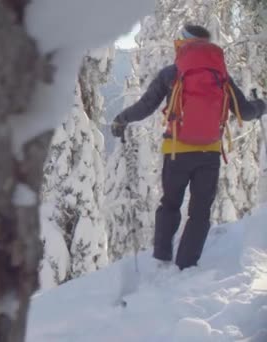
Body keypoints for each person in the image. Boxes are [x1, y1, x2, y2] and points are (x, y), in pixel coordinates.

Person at [110, 24, 267, 270]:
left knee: (170, 203)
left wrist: (122, 119)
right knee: (200, 211)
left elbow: (146, 106)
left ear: (182, 44)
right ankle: (186, 264)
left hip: (176, 152)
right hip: (209, 153)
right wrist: (261, 105)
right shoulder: (221, 76)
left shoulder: (171, 73)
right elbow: (245, 112)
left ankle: (161, 259)